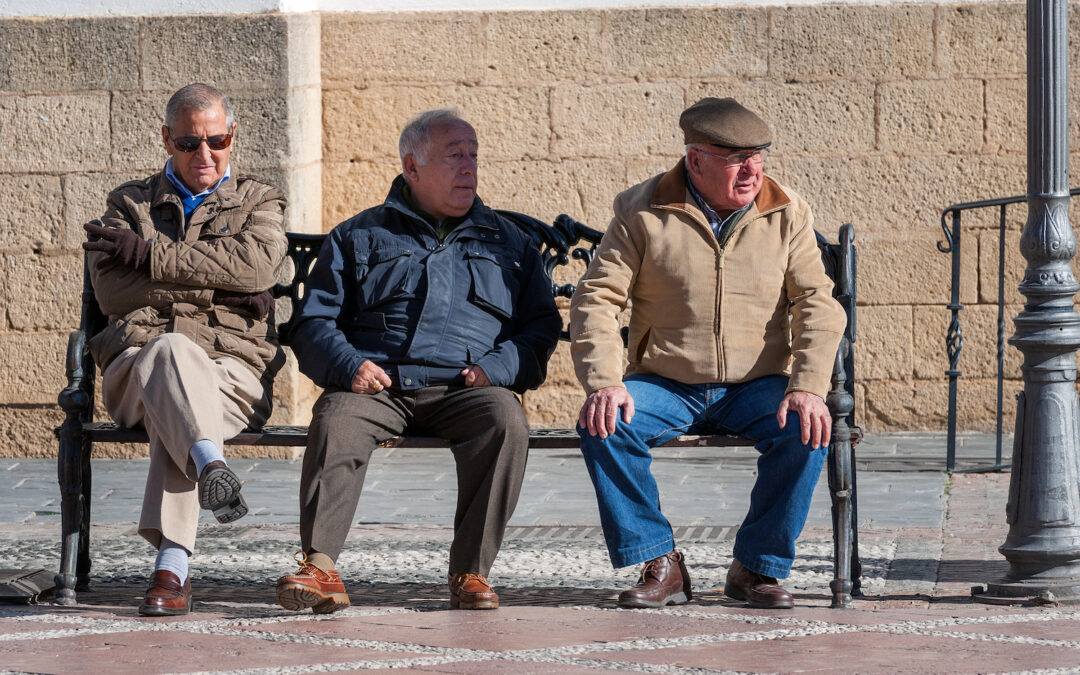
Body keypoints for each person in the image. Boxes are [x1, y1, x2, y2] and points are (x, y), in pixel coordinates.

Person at [275, 108, 561, 613]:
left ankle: (470, 571)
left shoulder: (509, 244)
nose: (469, 167)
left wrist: (497, 369)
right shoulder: (358, 235)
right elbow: (313, 323)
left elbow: (540, 326)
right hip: (377, 386)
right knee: (336, 418)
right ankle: (320, 566)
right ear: (412, 167)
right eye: (454, 156)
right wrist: (349, 366)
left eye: (473, 155)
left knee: (506, 421)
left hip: (468, 388)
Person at [569, 97, 846, 610]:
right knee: (602, 422)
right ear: (695, 160)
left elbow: (817, 305)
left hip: (757, 383)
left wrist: (808, 387)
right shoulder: (641, 209)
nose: (752, 169)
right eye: (735, 158)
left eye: (758, 155)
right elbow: (597, 298)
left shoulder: (787, 212)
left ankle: (757, 567)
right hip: (666, 381)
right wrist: (605, 381)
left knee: (808, 430)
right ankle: (661, 562)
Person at [83, 83, 288, 616]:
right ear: (166, 140)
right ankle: (210, 467)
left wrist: (151, 256)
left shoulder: (259, 199)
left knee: (177, 404)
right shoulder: (127, 204)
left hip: (230, 371)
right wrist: (223, 288)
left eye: (217, 141)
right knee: (169, 354)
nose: (205, 155)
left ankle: (173, 566)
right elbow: (113, 292)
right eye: (188, 143)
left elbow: (259, 267)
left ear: (232, 135)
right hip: (135, 362)